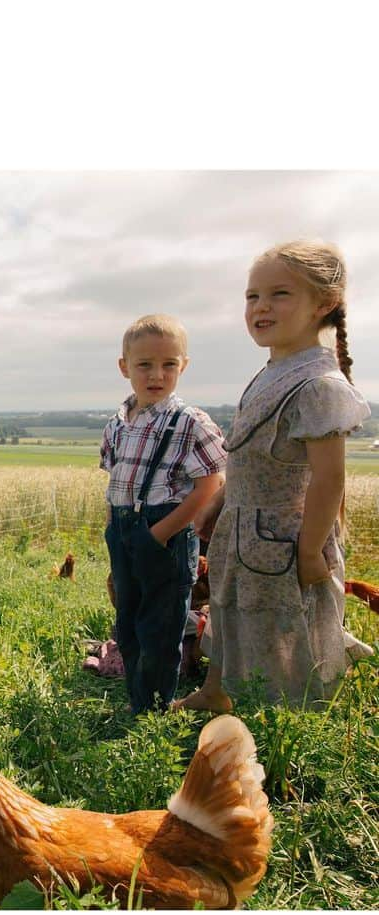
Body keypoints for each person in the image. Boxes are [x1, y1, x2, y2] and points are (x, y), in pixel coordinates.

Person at [175, 241, 372, 712]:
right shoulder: (273, 370)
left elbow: (329, 479)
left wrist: (308, 552)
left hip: (285, 538)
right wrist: (219, 505)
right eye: (252, 296)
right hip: (243, 528)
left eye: (279, 294)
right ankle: (216, 691)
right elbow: (246, 454)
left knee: (285, 625)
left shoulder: (319, 384)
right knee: (230, 612)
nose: (261, 307)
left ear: (324, 304)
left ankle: (290, 715)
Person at [100, 314, 226, 714]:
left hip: (166, 535)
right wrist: (113, 528)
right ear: (125, 367)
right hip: (123, 530)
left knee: (160, 627)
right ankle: (137, 700)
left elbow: (210, 486)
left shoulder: (190, 422)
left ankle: (153, 711)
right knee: (129, 621)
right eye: (144, 365)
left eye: (169, 364)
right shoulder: (118, 424)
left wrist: (160, 533)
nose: (157, 374)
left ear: (183, 366)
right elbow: (115, 480)